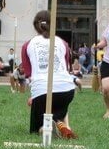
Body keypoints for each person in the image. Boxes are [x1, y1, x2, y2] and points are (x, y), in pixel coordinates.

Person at [21, 10, 77, 138]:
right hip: (67, 91)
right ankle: (64, 125)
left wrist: (34, 95)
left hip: (42, 92)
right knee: (58, 107)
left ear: (35, 25)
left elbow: (29, 74)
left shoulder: (27, 45)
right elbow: (67, 69)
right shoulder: (63, 43)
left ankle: (45, 127)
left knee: (37, 130)